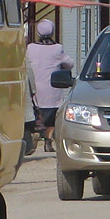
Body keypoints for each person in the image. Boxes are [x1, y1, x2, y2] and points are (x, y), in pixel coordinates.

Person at [27, 18, 74, 152]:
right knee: (52, 118)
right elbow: (70, 64)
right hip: (52, 90)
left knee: (36, 116)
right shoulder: (57, 49)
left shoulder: (31, 48)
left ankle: (34, 135)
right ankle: (48, 141)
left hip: (35, 89)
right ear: (52, 32)